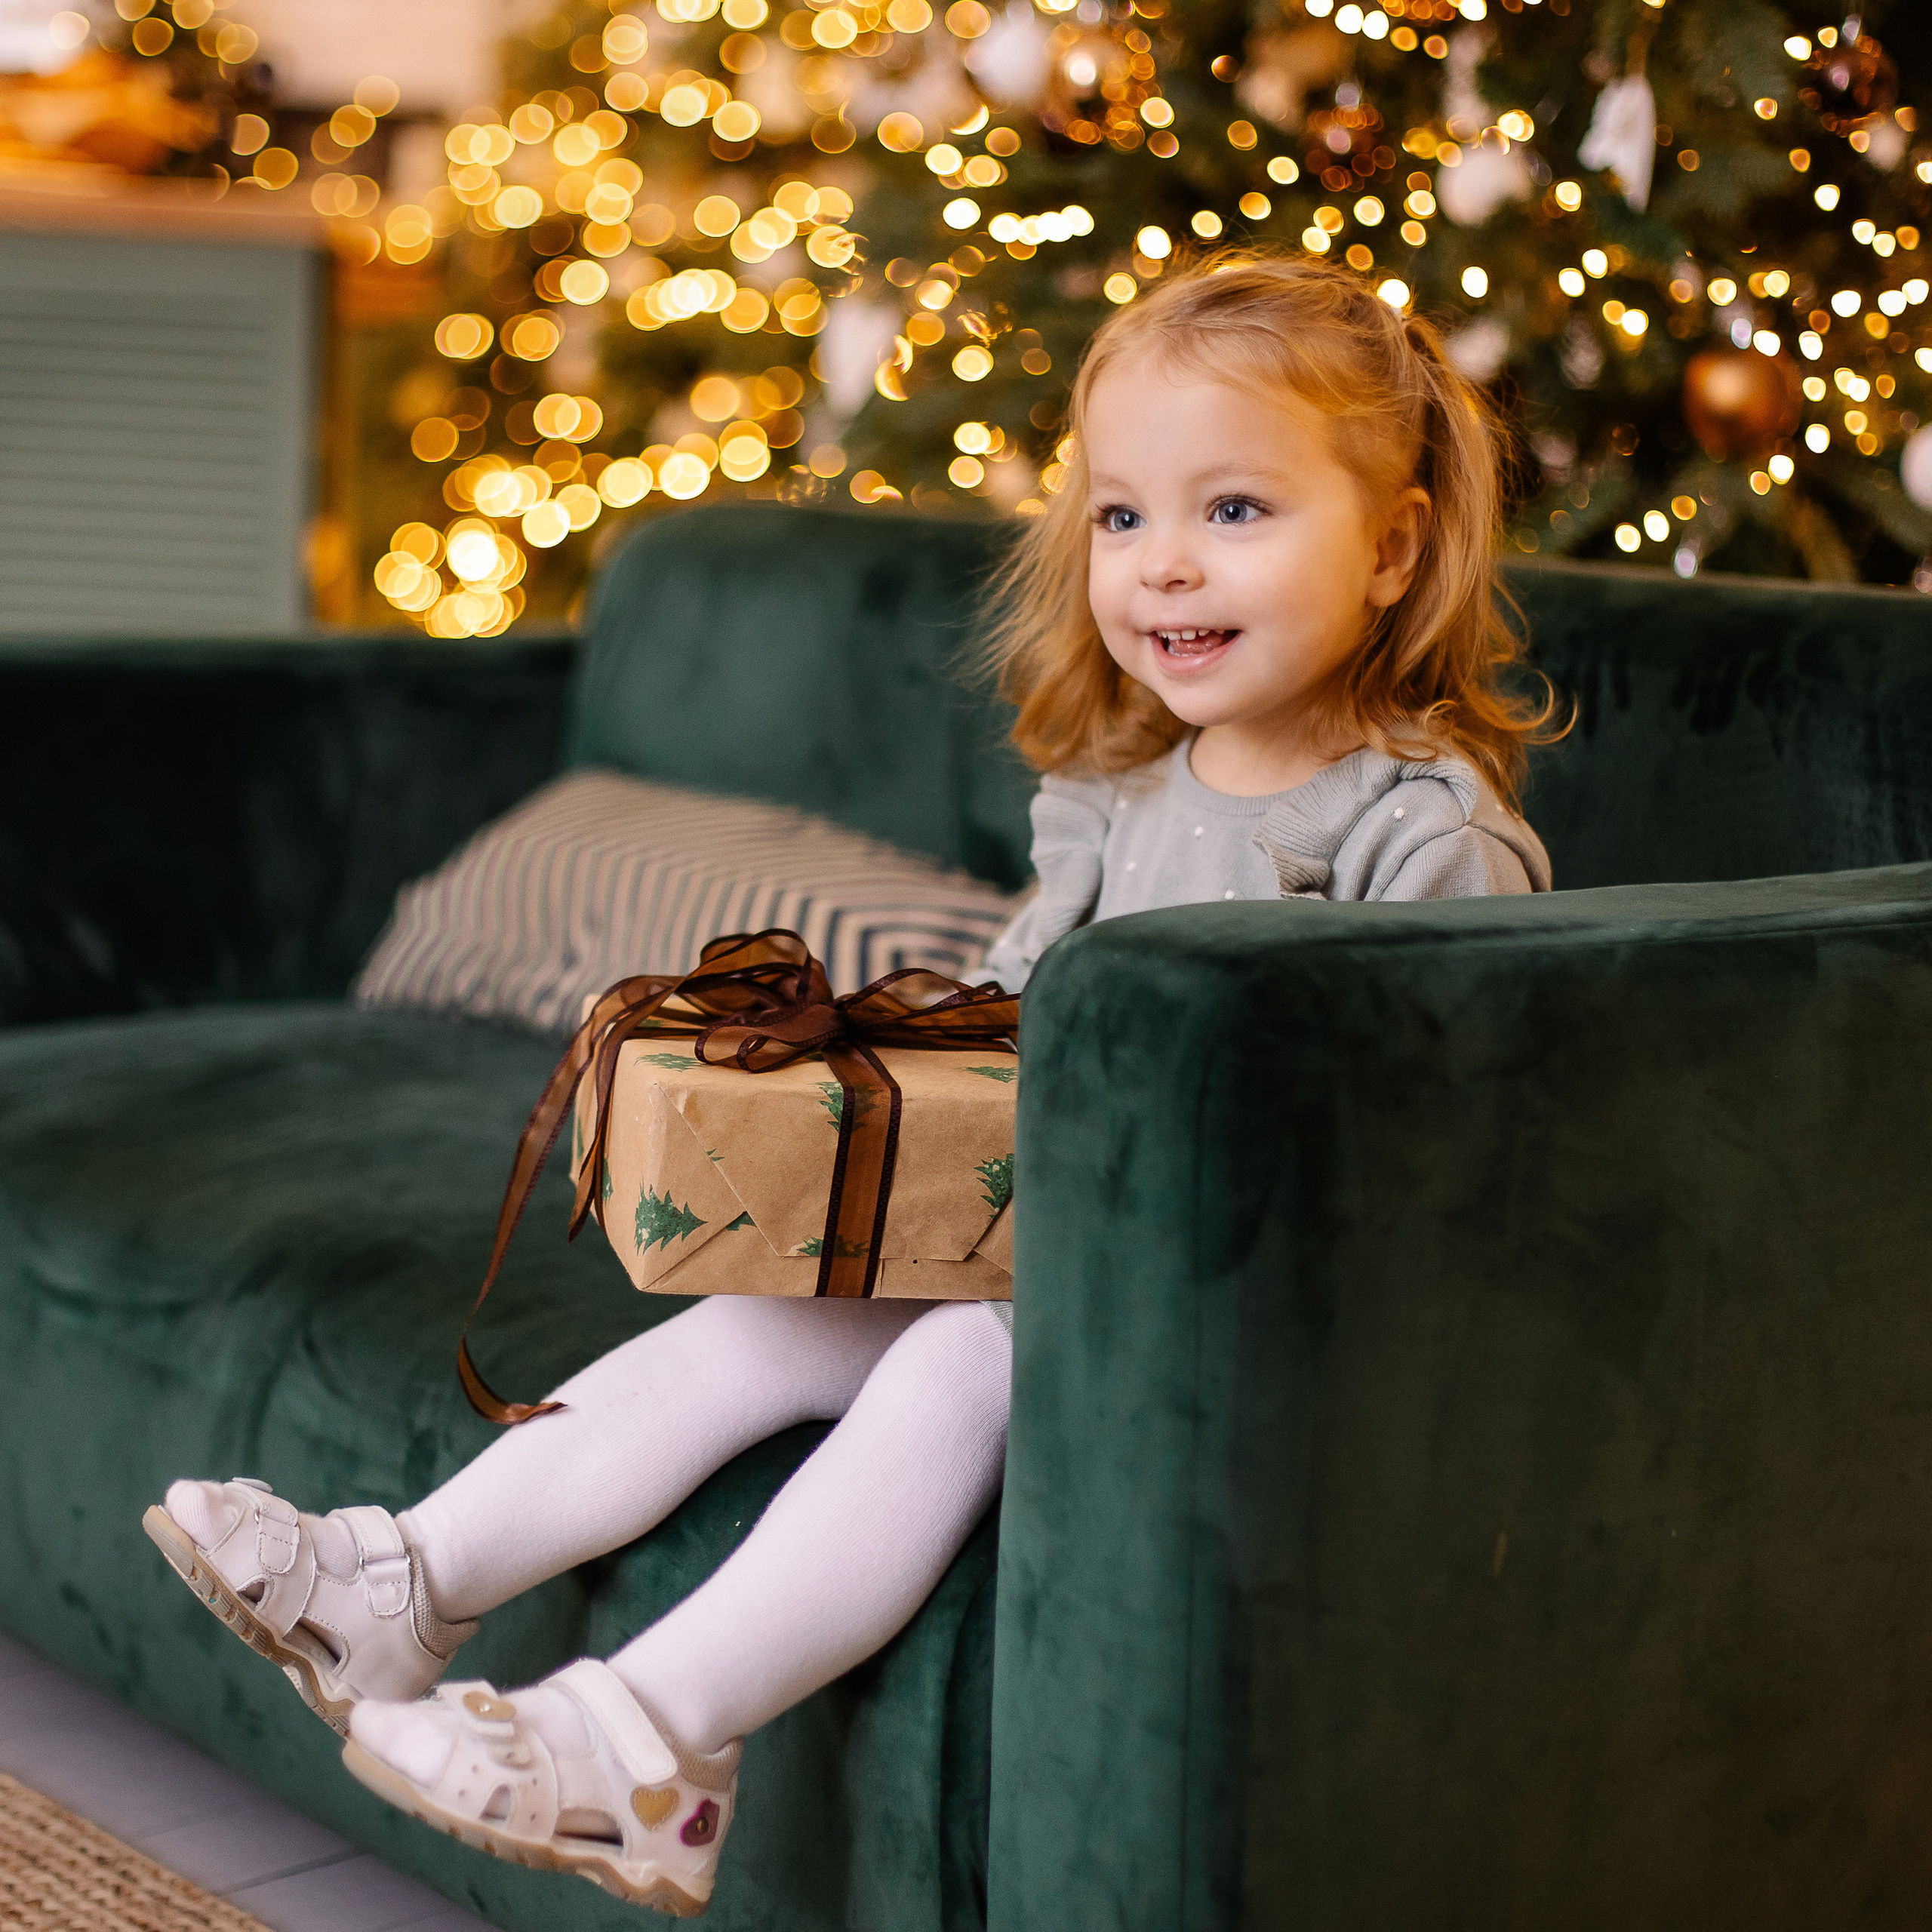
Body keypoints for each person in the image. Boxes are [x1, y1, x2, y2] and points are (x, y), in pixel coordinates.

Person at [141, 251, 1556, 1919]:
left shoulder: (1419, 829)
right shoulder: (1118, 793)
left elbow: (1445, 1138)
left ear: (1391, 545)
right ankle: (408, 1576)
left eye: (1234, 509)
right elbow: (1012, 1031)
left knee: (960, 1352)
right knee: (758, 1310)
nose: (1163, 561)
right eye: (1120, 517)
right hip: (1052, 1240)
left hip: (1232, 1304)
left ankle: (648, 1745)